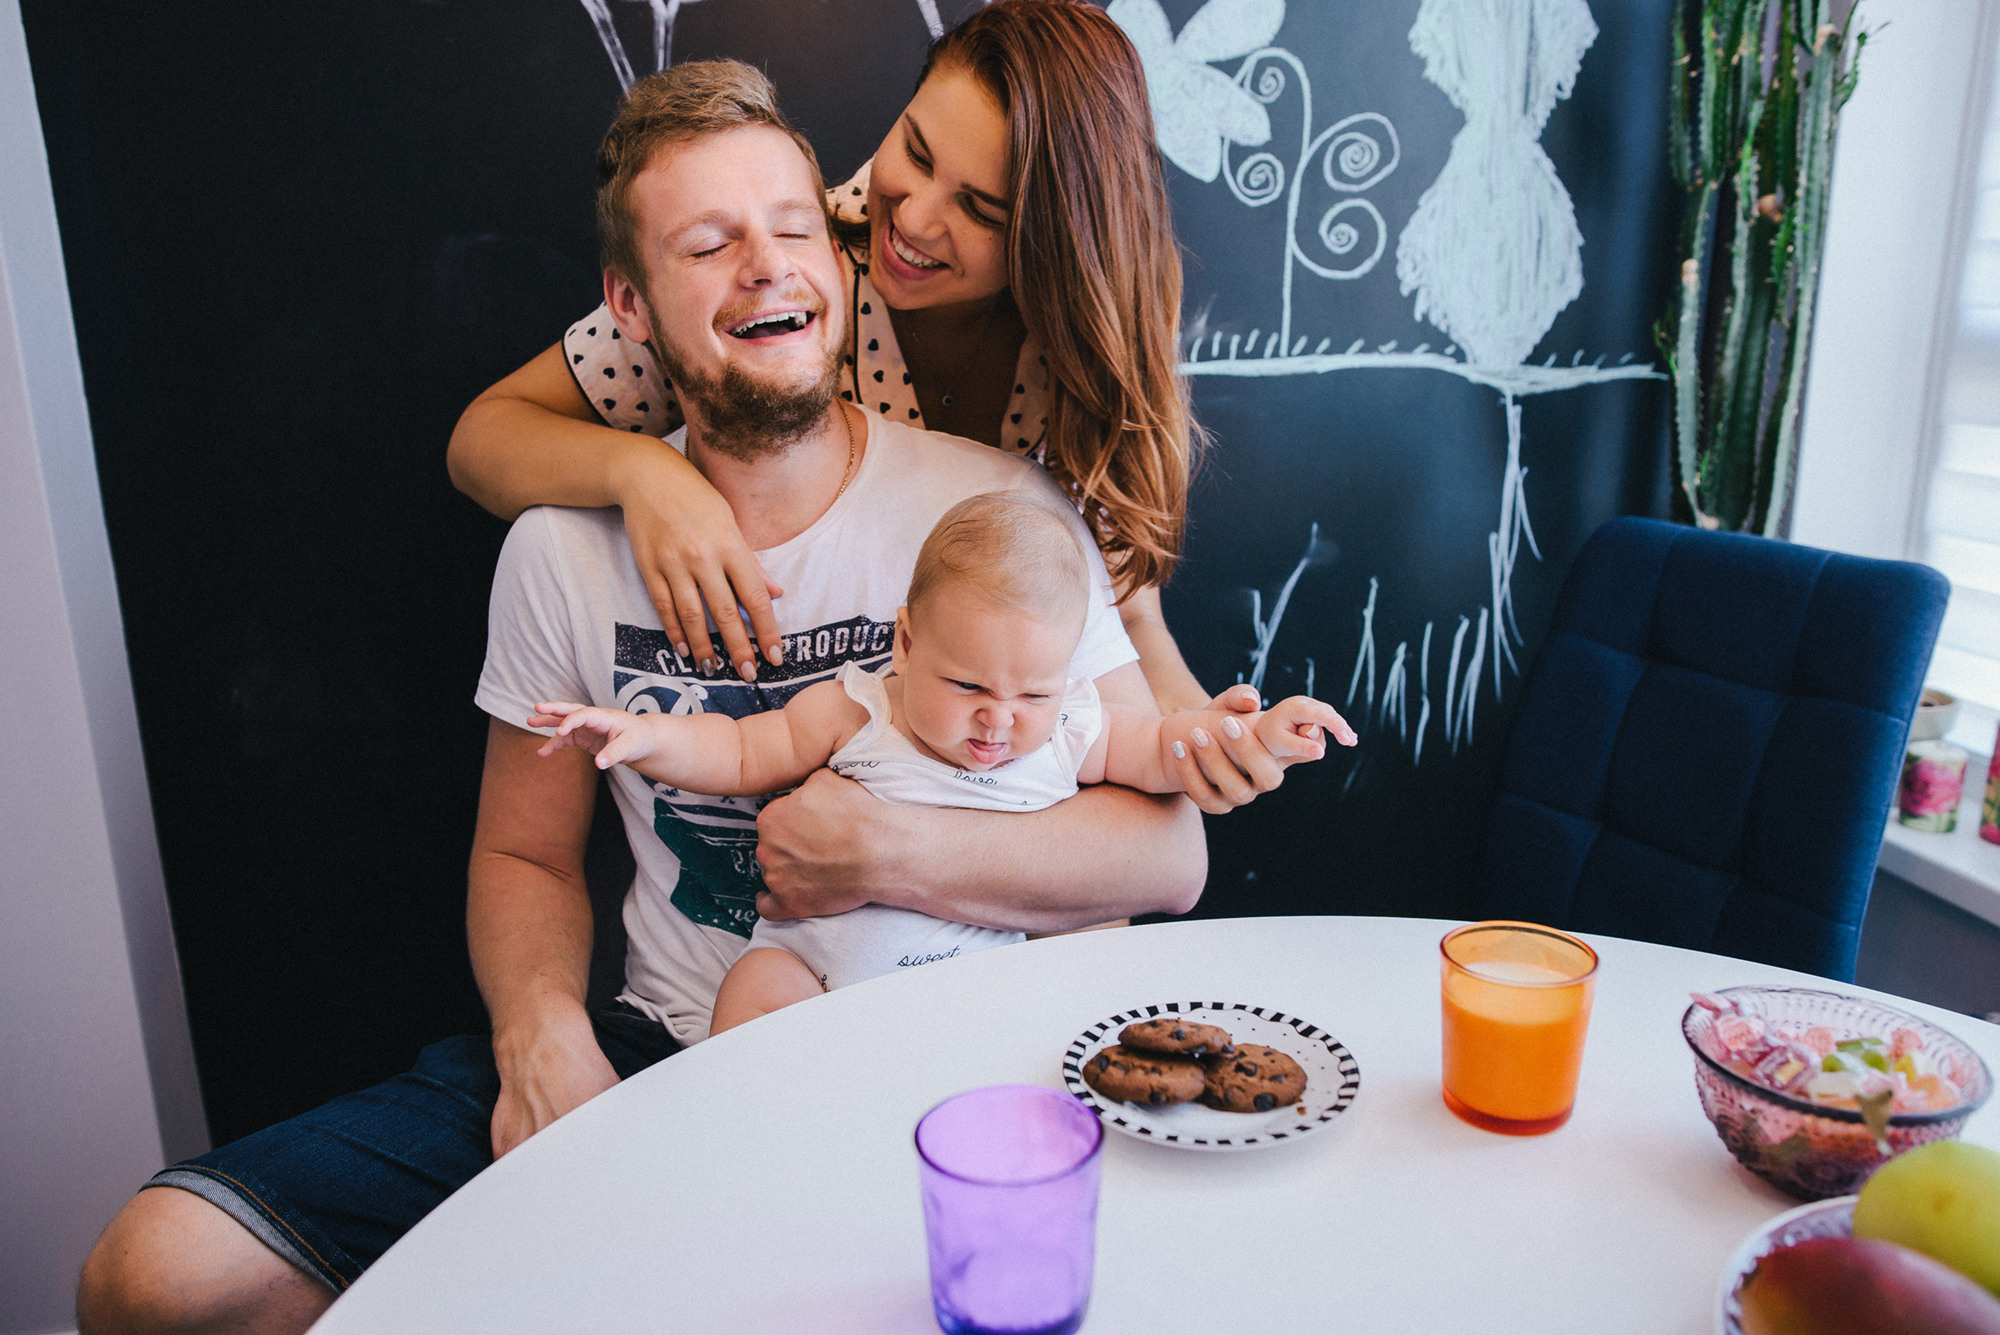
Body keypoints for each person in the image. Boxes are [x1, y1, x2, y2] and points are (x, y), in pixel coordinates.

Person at [77, 59, 1282, 1334]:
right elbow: (522, 851)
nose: (764, 266)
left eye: (791, 229)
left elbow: (1160, 846)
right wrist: (542, 1032)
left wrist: (882, 846)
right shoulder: (557, 549)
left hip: (968, 1028)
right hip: (678, 1037)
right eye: (708, 246)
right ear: (631, 308)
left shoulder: (993, 515)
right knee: (153, 1278)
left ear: (837, 257)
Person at [446, 0, 1279, 818]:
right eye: (912, 150)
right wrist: (646, 474)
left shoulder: (1082, 356)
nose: (913, 218)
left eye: (981, 209)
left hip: (981, 797)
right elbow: (483, 438)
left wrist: (1206, 743)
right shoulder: (780, 274)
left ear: (1054, 239)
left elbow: (1124, 618)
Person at [533, 492, 1353, 1035]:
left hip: (981, 998)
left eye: (1031, 692)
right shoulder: (864, 705)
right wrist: (641, 738)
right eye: (966, 685)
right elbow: (745, 748)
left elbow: (1165, 752)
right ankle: (752, 1129)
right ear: (908, 641)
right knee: (753, 994)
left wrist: (1252, 735)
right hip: (814, 973)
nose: (998, 718)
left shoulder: (1070, 725)